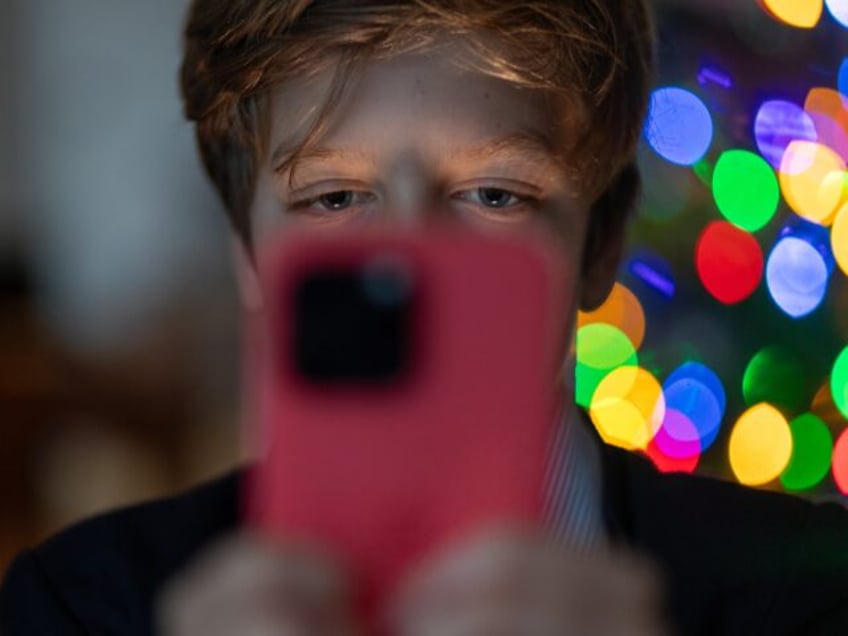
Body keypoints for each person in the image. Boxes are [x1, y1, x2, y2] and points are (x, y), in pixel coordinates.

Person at [2, 1, 848, 634]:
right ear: (248, 254)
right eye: (333, 197)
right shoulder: (79, 604)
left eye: (495, 195)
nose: (404, 266)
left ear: (602, 242)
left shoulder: (811, 593)